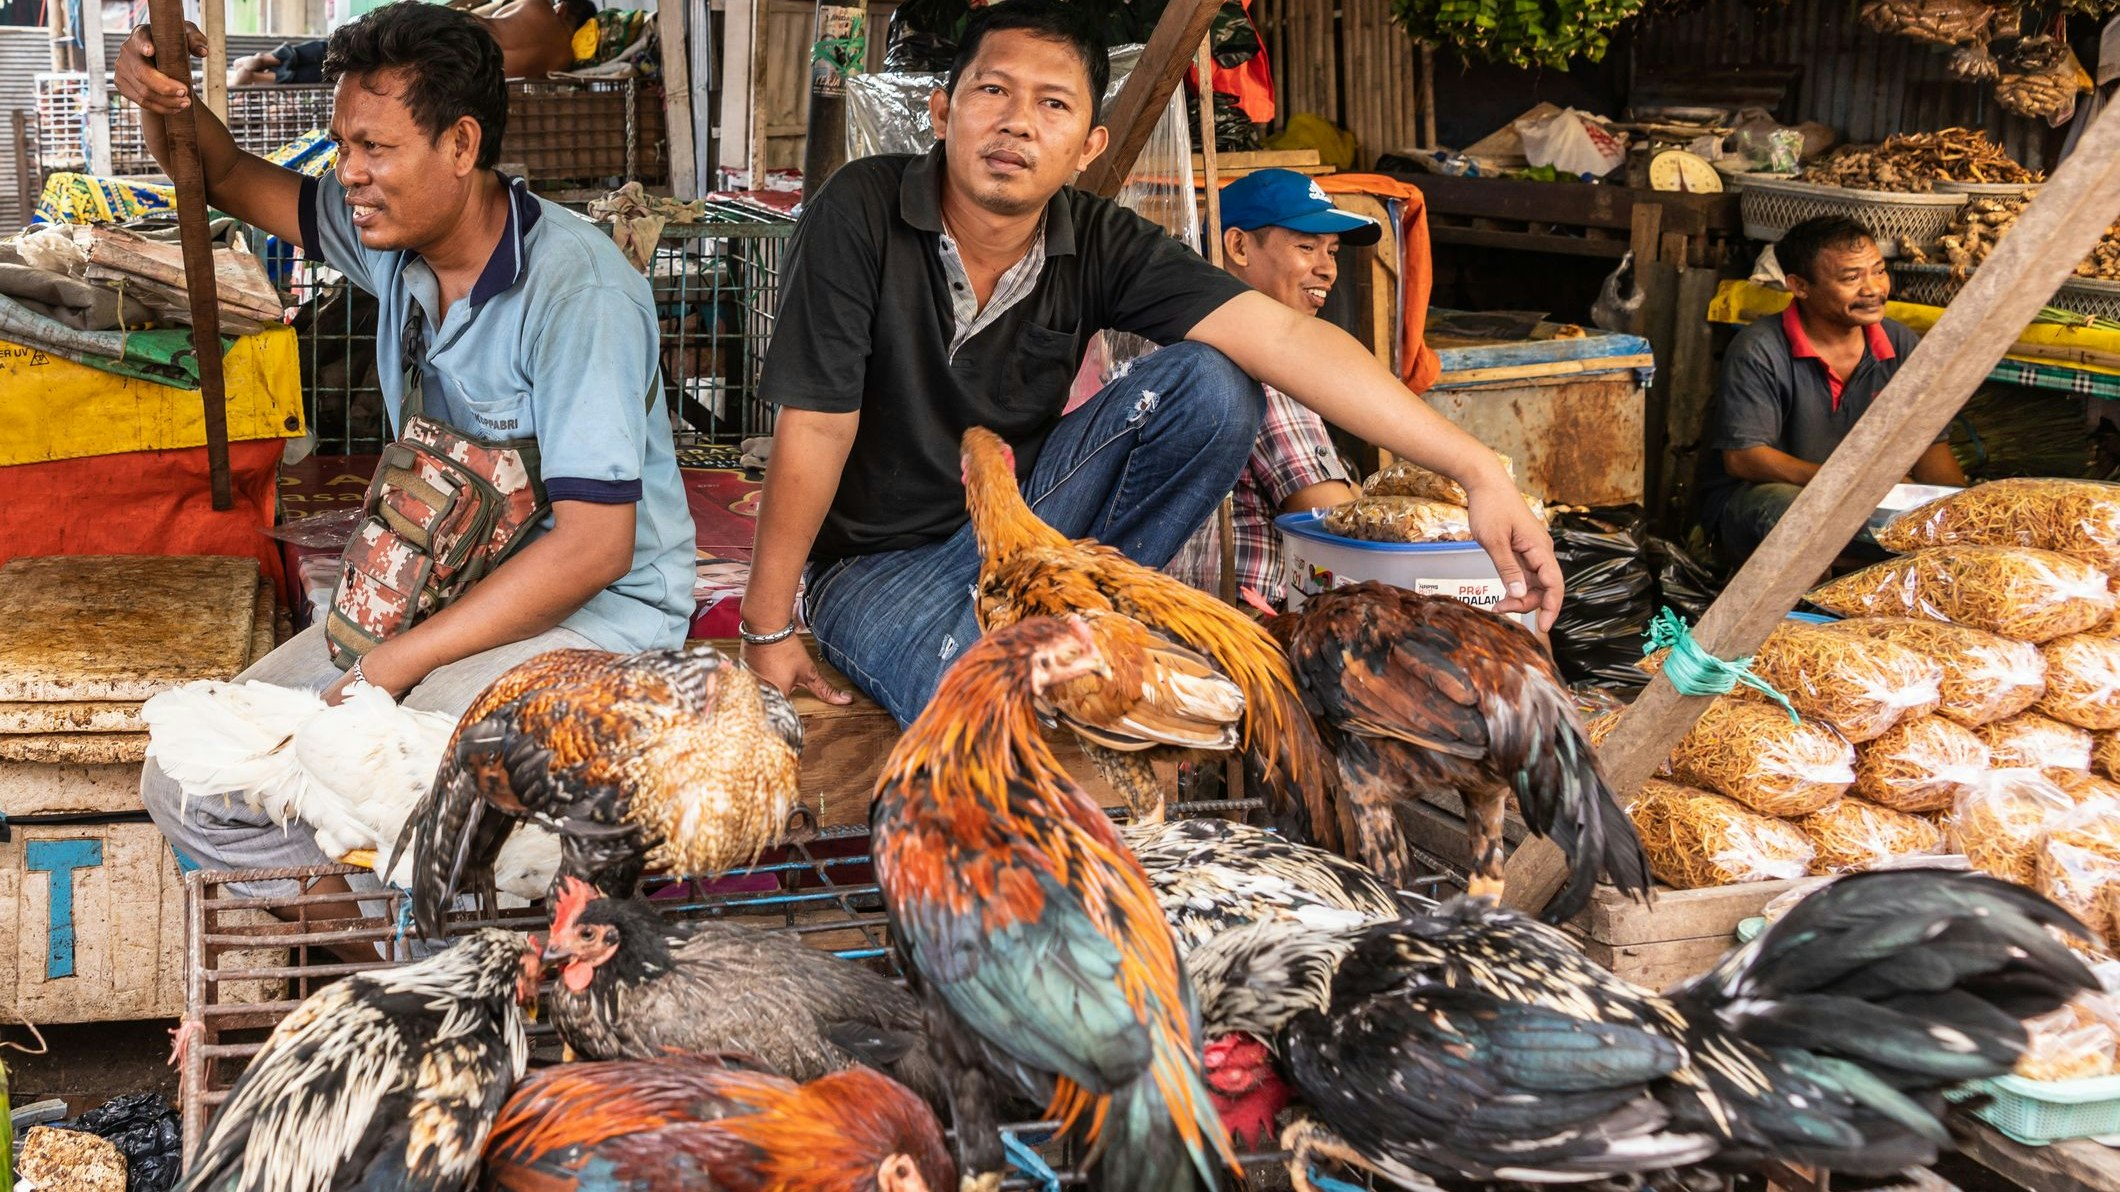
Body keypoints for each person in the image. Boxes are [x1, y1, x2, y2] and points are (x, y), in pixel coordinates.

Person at [739, 0, 1559, 726]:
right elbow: (816, 420)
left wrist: (1478, 470)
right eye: (993, 91)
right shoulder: (861, 208)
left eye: (1052, 104)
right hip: (878, 567)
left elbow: (1288, 341)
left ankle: (1092, 612)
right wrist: (767, 626)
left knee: (1212, 383)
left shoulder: (1099, 239)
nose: (1018, 122)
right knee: (991, 704)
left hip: (1025, 538)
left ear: (1089, 144)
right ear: (942, 110)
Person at [118, 1, 693, 912]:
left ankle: (429, 980)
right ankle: (382, 967)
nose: (349, 174)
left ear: (462, 146)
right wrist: (156, 97)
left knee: (393, 791)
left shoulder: (577, 291)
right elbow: (219, 170)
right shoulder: (392, 241)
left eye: (375, 149)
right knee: (193, 773)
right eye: (343, 145)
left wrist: (389, 669)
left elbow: (595, 549)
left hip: (595, 619)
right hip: (440, 595)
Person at [1697, 215, 1966, 565]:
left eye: (1879, 271)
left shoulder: (1900, 343)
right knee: (1795, 513)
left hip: (1862, 503)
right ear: (1800, 286)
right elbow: (1744, 458)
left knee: (1950, 527)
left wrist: (1966, 515)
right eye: (1851, 278)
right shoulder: (1760, 349)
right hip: (1761, 502)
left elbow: (1929, 448)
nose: (1872, 289)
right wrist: (1856, 484)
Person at [1165, 168, 1367, 606]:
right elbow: (1330, 516)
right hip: (1251, 619)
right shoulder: (1257, 360)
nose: (1327, 269)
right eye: (1306, 246)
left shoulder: (1182, 337)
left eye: (1332, 251)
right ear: (1238, 245)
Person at [228, 0, 597, 87]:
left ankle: (271, 60)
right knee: (361, 70)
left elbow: (479, 10)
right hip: (461, 65)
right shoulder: (565, 59)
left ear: (564, 7)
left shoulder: (537, 7)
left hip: (454, 32)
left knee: (357, 44)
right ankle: (268, 80)